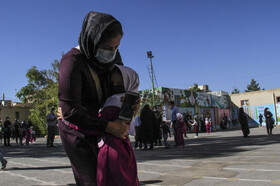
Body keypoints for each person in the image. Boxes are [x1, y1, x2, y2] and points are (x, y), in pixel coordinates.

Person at [57, 11, 138, 185]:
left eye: (116, 47)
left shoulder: (114, 58)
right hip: (79, 131)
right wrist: (109, 127)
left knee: (114, 176)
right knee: (91, 180)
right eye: (108, 47)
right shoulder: (71, 62)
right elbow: (70, 111)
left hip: (107, 126)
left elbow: (118, 91)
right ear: (92, 40)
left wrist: (129, 106)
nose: (112, 53)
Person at [97, 64, 139, 186]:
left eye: (119, 84)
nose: (115, 87)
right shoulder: (127, 102)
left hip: (111, 150)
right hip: (121, 147)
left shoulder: (114, 100)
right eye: (112, 83)